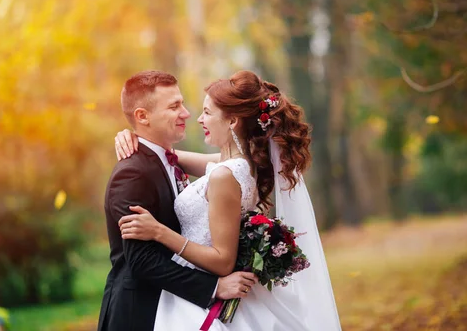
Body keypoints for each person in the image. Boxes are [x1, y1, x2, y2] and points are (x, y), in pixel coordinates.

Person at [115, 70, 342, 330]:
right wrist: (134, 135)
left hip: (197, 295)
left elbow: (223, 260)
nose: (197, 118)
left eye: (207, 113)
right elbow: (170, 155)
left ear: (232, 121)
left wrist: (159, 232)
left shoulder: (225, 174)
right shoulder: (241, 165)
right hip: (190, 288)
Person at [98, 70, 258, 331]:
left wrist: (134, 134)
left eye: (182, 103)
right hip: (140, 314)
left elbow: (234, 164)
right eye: (174, 106)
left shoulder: (171, 160)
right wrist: (214, 287)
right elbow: (142, 261)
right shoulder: (132, 173)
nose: (186, 113)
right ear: (142, 116)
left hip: (180, 308)